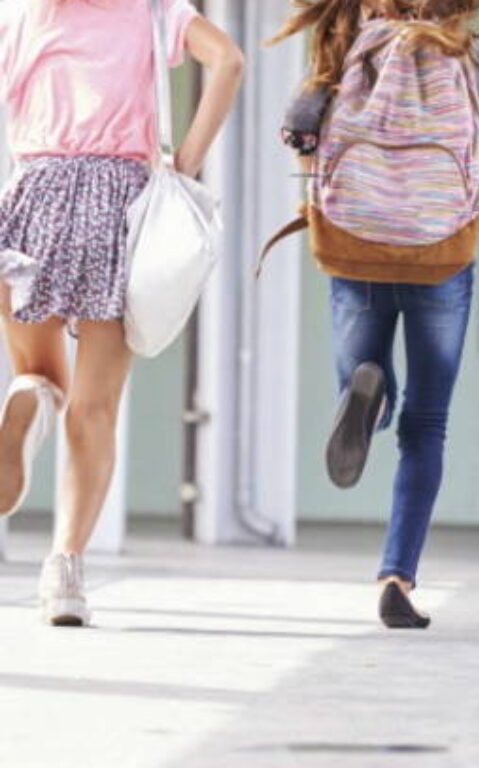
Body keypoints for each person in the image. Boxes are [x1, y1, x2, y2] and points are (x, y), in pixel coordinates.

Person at [272, 0, 479, 630]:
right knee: (427, 424)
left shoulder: (342, 51)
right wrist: (477, 187)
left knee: (364, 378)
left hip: (356, 240)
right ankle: (397, 575)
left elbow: (300, 131)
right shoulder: (466, 53)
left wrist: (322, 191)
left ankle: (368, 395)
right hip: (442, 249)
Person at [0, 0, 243, 626]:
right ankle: (66, 571)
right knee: (96, 406)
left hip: (33, 195)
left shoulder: (21, 12)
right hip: (122, 207)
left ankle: (30, 400)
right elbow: (229, 62)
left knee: (42, 375)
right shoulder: (152, 9)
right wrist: (185, 159)